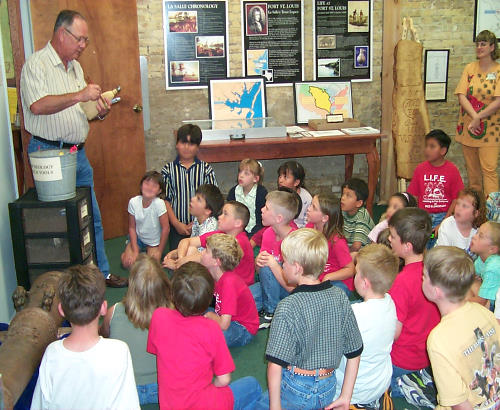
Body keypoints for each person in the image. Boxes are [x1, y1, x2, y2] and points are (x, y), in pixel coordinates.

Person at [19, 10, 126, 287]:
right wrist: (80, 95)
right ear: (61, 34)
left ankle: (100, 273)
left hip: (77, 153)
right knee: (59, 222)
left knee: (91, 216)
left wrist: (99, 110)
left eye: (85, 41)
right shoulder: (36, 65)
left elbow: (80, 110)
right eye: (79, 39)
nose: (83, 46)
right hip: (49, 152)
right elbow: (37, 106)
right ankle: (61, 286)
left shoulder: (75, 67)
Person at [256, 228, 363, 409]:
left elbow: (275, 365)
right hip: (329, 385)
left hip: (296, 386)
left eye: (285, 261)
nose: (282, 264)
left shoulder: (288, 306)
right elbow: (355, 351)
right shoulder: (339, 296)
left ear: (297, 268)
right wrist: (346, 395)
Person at [147, 262, 262, 409]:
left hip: (170, 404)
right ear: (209, 298)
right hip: (204, 404)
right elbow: (224, 379)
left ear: (172, 294)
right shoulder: (211, 328)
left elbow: (157, 351)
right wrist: (213, 387)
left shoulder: (159, 316)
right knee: (253, 385)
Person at [31, 265, 140, 408]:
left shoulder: (51, 353)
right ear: (103, 308)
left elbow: (39, 405)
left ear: (61, 310)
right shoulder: (119, 351)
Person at [423, 246, 500, 409]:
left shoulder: (438, 339)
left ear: (436, 291)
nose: (421, 279)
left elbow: (458, 404)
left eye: (424, 276)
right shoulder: (483, 311)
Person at [100, 254, 171, 405]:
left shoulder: (114, 311)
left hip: (127, 389)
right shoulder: (173, 313)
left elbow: (104, 337)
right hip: (162, 388)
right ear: (163, 284)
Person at [334, 244, 398, 407]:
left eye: (356, 273)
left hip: (354, 390)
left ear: (364, 283)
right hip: (380, 383)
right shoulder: (390, 302)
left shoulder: (354, 314)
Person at [387, 208, 441, 397]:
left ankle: (404, 386)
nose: (389, 239)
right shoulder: (435, 270)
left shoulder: (402, 281)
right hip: (428, 356)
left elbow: (393, 333)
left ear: (407, 246)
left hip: (403, 361)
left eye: (393, 236)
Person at [164, 201, 255, 286]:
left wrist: (178, 264)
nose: (220, 216)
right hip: (218, 279)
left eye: (225, 214)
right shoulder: (221, 233)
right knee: (190, 250)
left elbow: (204, 258)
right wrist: (179, 256)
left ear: (237, 223)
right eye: (221, 213)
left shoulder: (240, 241)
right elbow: (187, 241)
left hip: (236, 287)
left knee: (199, 257)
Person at [455, 30, 500, 197]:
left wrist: (478, 117)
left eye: (483, 44)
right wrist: (474, 118)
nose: (479, 47)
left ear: (492, 47)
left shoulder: (498, 70)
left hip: (491, 130)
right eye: (477, 44)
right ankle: (476, 212)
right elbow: (461, 95)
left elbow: (498, 101)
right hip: (469, 127)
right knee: (473, 174)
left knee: (489, 170)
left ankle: (493, 215)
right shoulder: (470, 68)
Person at [161, 123, 218, 250]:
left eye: (191, 144)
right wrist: (176, 223)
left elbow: (213, 200)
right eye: (183, 142)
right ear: (177, 144)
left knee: (201, 257)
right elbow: (165, 200)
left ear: (198, 147)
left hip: (202, 226)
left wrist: (197, 223)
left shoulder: (205, 169)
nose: (186, 147)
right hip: (177, 227)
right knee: (177, 260)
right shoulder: (168, 170)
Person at [252, 190, 300, 329]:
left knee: (270, 264)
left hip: (290, 290)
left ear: (279, 218)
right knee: (243, 300)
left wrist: (272, 265)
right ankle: (276, 306)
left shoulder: (294, 240)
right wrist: (258, 262)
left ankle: (271, 313)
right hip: (269, 288)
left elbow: (294, 288)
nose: (261, 209)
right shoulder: (268, 233)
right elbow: (260, 274)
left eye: (266, 208)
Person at [407, 129, 464, 246]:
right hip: (423, 216)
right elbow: (414, 196)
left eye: (432, 146)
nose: (427, 150)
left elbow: (456, 198)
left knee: (439, 247)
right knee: (421, 246)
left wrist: (445, 222)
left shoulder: (452, 170)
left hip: (444, 216)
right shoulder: (420, 169)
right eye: (426, 146)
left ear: (443, 150)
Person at [201, 234, 259, 347]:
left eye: (206, 251)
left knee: (212, 335)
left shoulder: (229, 283)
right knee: (194, 309)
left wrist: (210, 315)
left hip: (242, 327)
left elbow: (224, 325)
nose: (202, 252)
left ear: (216, 262)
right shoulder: (213, 274)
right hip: (224, 316)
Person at [305, 193, 355, 295]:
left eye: (313, 207)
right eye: (310, 204)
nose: (308, 208)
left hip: (337, 281)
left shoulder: (336, 241)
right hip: (317, 276)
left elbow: (350, 270)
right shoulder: (309, 228)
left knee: (328, 295)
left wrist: (328, 277)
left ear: (324, 218)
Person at [121, 171, 169, 269]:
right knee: (127, 263)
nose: (149, 188)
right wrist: (134, 250)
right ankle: (132, 251)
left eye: (154, 186)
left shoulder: (159, 204)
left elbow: (166, 228)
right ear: (141, 185)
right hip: (138, 238)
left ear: (159, 191)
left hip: (153, 242)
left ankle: (145, 254)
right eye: (147, 183)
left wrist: (159, 251)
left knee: (151, 266)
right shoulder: (133, 202)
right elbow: (132, 227)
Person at [435, 188, 486, 254]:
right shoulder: (447, 225)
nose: (459, 208)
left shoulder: (480, 230)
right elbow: (443, 255)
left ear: (476, 213)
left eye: (464, 206)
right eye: (458, 203)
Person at [227, 159, 267, 237]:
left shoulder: (261, 193)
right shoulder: (233, 192)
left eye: (246, 173)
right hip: (237, 230)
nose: (241, 176)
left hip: (257, 230)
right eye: (240, 172)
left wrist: (253, 235)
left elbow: (261, 219)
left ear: (255, 179)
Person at [469, 221, 500, 310]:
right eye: (477, 233)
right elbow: (470, 276)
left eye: (480, 236)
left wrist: (456, 301)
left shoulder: (493, 267)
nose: (474, 237)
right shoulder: (481, 259)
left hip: (495, 307)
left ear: (492, 249)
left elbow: (481, 302)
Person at [341, 178, 374, 252]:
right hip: (348, 249)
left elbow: (356, 246)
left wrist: (343, 254)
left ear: (359, 203)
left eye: (348, 196)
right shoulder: (343, 212)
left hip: (363, 253)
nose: (342, 198)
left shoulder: (362, 216)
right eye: (343, 194)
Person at [277, 160, 312, 228]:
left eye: (286, 177)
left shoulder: (306, 199)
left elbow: (307, 223)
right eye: (280, 176)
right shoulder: (278, 195)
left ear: (296, 182)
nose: (280, 181)